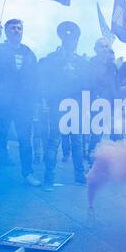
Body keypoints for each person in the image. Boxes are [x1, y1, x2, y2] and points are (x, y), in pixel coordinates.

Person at [0, 19, 40, 189]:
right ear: (7, 32)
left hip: (23, 105)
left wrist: (35, 101)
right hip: (2, 103)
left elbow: (35, 79)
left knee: (25, 139)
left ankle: (28, 173)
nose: (17, 30)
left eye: (19, 28)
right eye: (13, 28)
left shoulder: (29, 53)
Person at [39, 21, 89, 191]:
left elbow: (86, 84)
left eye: (73, 40)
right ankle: (51, 178)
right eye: (70, 40)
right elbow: (44, 81)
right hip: (60, 105)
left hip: (73, 106)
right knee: (57, 142)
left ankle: (76, 176)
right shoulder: (53, 59)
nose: (72, 43)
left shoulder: (79, 61)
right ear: (63, 41)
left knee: (72, 142)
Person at [87, 38, 119, 162]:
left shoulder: (112, 66)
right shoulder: (91, 64)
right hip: (97, 103)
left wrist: (118, 101)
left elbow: (116, 85)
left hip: (112, 103)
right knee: (97, 133)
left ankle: (114, 161)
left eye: (106, 46)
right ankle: (91, 160)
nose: (105, 49)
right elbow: (88, 84)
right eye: (102, 46)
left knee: (115, 132)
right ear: (96, 49)